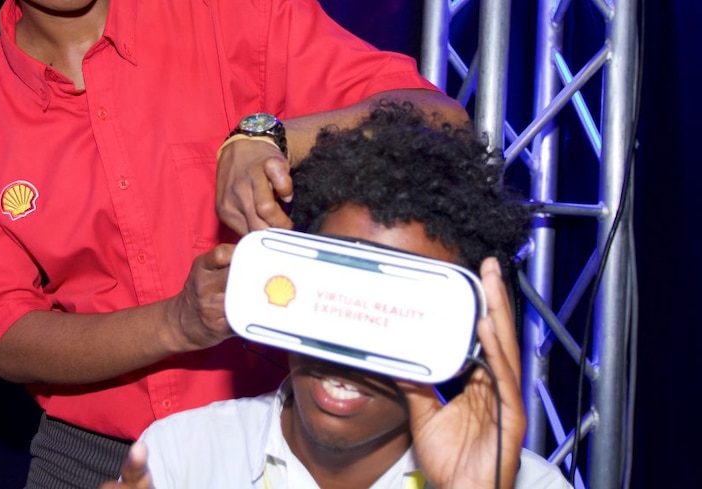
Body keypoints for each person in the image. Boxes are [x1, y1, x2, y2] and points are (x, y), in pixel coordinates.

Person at [0, 1, 468, 487]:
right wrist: (176, 323)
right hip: (95, 459)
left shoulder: (229, 13)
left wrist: (271, 136)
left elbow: (442, 123)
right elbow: (4, 336)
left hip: (281, 446)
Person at [103, 102, 572, 489]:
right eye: (337, 300)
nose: (348, 356)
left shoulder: (526, 483)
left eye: (391, 315)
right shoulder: (183, 458)